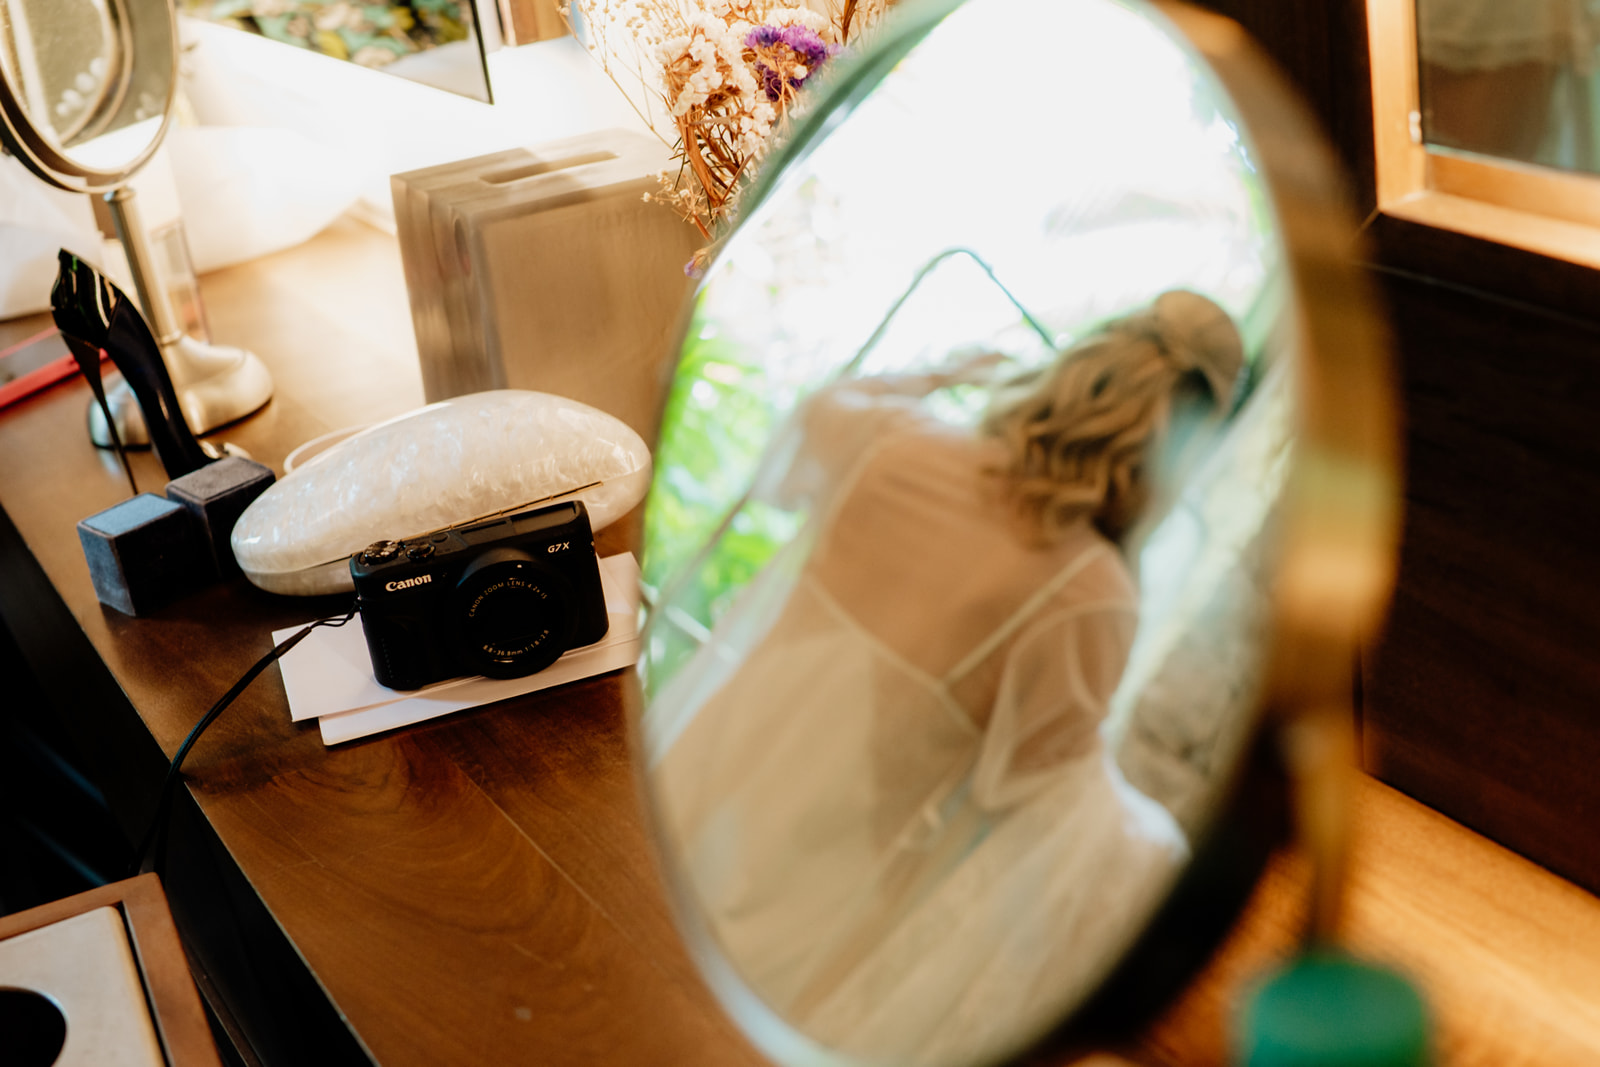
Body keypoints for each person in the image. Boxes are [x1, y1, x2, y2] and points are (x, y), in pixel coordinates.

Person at [645, 289, 1245, 1063]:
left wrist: (940, 373)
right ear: (1180, 454)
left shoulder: (892, 442)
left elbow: (812, 419)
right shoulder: (1093, 596)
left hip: (708, 768)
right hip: (831, 865)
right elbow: (1023, 791)